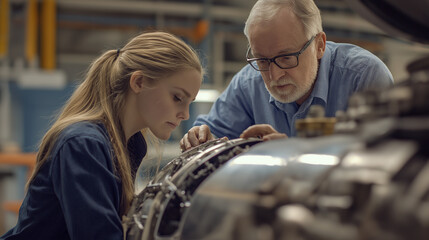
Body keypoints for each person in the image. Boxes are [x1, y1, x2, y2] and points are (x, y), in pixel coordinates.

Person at [0, 31, 203, 240]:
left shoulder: (131, 145)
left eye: (190, 103)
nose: (185, 114)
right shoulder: (83, 144)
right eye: (177, 97)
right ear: (139, 82)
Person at [180, 0, 393, 151]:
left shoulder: (364, 77)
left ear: (319, 45)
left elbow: (387, 166)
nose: (274, 75)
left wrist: (291, 155)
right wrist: (202, 141)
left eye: (286, 58)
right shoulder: (248, 84)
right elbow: (211, 142)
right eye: (262, 60)